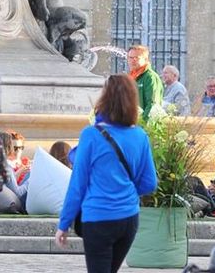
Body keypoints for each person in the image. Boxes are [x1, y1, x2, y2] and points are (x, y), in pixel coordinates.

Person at [55, 74, 157, 273]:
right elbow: (150, 183)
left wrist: (64, 223)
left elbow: (78, 184)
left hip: (99, 216)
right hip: (129, 218)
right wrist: (125, 189)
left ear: (104, 98)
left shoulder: (91, 135)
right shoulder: (140, 136)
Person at [126, 47, 161, 121]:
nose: (133, 60)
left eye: (137, 58)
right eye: (130, 57)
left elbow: (152, 105)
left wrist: (142, 124)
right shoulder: (130, 77)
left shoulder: (150, 77)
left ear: (146, 59)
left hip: (145, 126)